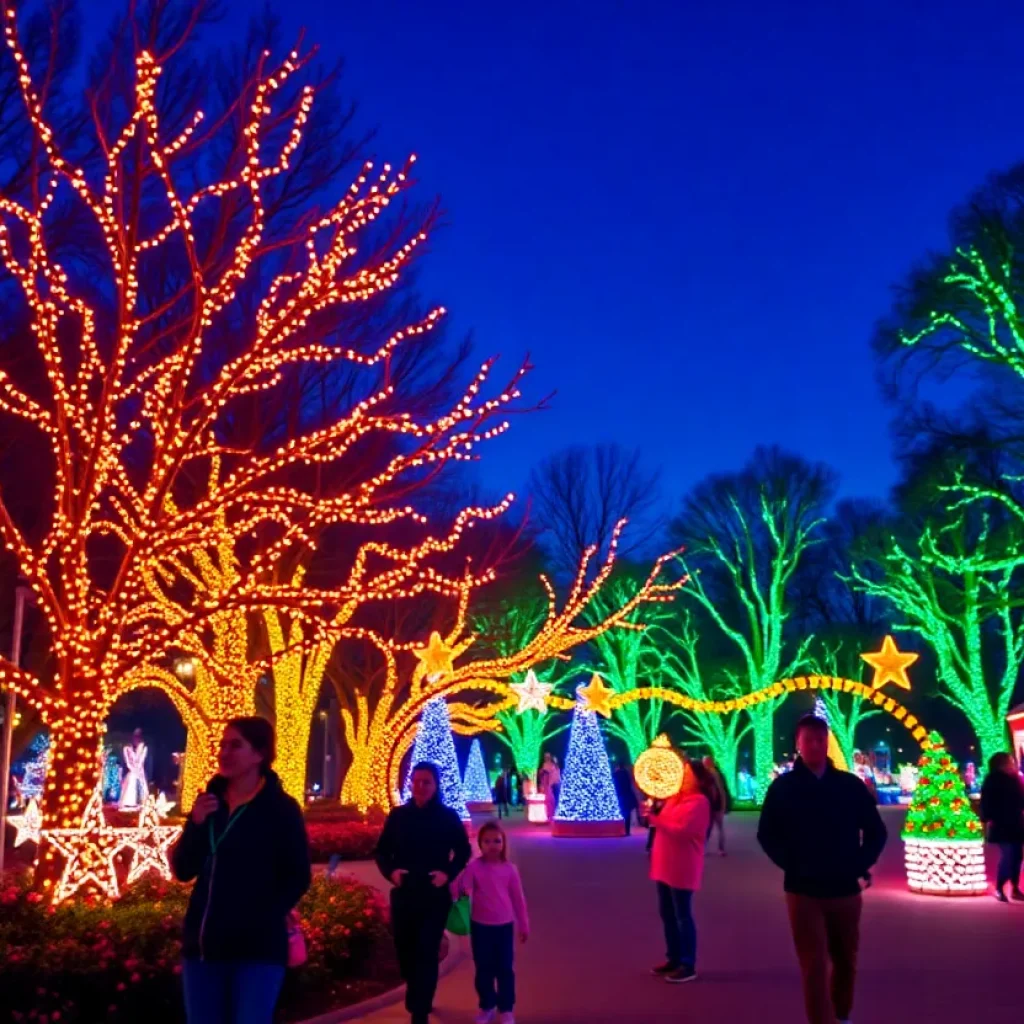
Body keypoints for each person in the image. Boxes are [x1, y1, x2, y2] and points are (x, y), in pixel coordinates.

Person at [171, 717, 311, 1024]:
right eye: (222, 744)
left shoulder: (281, 809)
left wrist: (263, 914)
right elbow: (183, 869)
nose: (224, 752)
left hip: (257, 949)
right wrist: (195, 824)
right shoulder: (208, 804)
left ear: (259, 754)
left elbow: (298, 875)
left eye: (235, 745)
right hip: (204, 947)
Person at [757, 714, 887, 1024]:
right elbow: (767, 834)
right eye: (809, 740)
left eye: (821, 739)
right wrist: (791, 863)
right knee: (813, 963)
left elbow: (876, 831)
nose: (816, 745)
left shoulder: (849, 786)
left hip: (844, 888)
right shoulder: (784, 788)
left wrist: (858, 864)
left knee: (845, 959)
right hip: (803, 890)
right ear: (798, 745)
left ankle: (841, 1014)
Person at [375, 761, 472, 1024]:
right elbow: (382, 851)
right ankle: (415, 990)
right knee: (405, 949)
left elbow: (463, 851)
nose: (420, 786)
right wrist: (391, 872)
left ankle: (421, 1009)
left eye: (426, 782)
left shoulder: (447, 817)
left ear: (436, 785)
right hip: (405, 893)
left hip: (434, 894)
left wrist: (447, 874)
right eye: (416, 781)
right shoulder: (397, 816)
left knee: (427, 950)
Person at [454, 820, 529, 1024]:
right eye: (487, 841)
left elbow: (517, 898)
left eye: (497, 841)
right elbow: (461, 890)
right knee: (484, 968)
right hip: (481, 926)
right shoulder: (474, 868)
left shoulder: (510, 869)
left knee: (505, 968)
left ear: (503, 843)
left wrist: (524, 923)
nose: (492, 845)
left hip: (504, 926)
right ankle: (487, 1005)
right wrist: (456, 881)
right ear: (480, 844)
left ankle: (506, 1008)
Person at [648, 759, 711, 985]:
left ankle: (688, 963)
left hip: (683, 865)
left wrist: (657, 820)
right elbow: (663, 822)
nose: (683, 777)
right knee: (667, 914)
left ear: (698, 778)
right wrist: (654, 813)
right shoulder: (674, 798)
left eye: (687, 774)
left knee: (682, 915)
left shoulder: (700, 802)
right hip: (664, 863)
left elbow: (683, 830)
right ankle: (673, 957)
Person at [980, 752, 1024, 902]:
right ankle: (1000, 888)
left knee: (1017, 856)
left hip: (1016, 823)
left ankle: (1015, 887)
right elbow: (986, 802)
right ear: (1001, 763)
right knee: (1008, 855)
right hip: (1001, 823)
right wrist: (987, 819)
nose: (1013, 763)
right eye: (1010, 761)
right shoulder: (992, 780)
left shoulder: (1015, 779)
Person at [702, 755, 731, 856]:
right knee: (710, 827)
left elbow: (721, 790)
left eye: (705, 762)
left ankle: (720, 848)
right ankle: (718, 849)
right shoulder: (708, 773)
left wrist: (723, 805)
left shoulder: (714, 773)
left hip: (714, 804)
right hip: (710, 804)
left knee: (713, 827)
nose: (704, 764)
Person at [119, 727, 149, 810]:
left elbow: (142, 759)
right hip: (132, 770)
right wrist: (132, 769)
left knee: (140, 782)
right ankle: (129, 802)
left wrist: (138, 769)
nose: (137, 738)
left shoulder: (144, 747)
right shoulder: (127, 748)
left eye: (138, 736)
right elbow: (127, 760)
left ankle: (142, 802)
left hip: (139, 770)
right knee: (131, 779)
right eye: (135, 736)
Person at [613, 761, 640, 836]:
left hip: (620, 796)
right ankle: (627, 830)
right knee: (627, 813)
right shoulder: (626, 774)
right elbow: (630, 783)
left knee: (623, 813)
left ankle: (621, 829)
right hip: (628, 795)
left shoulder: (616, 775)